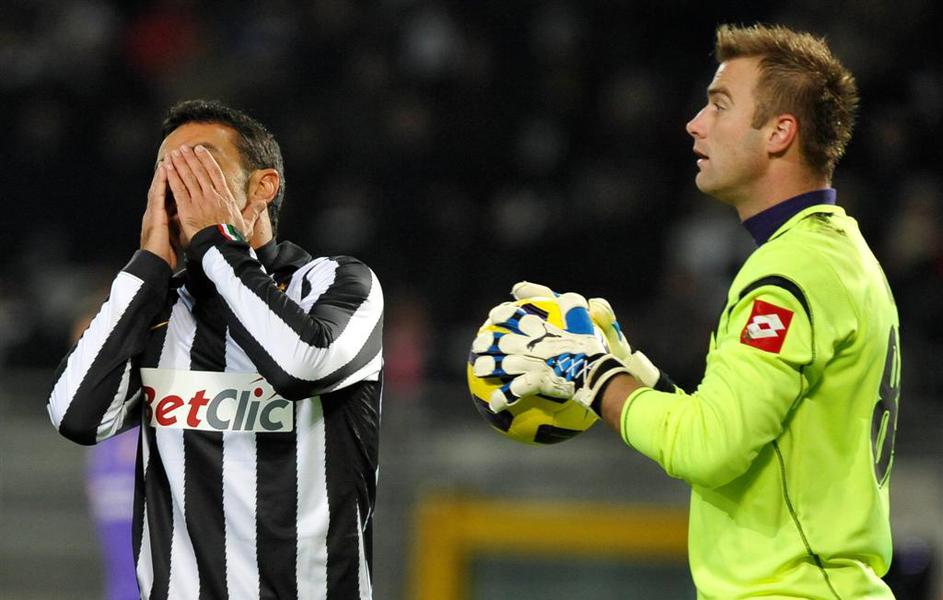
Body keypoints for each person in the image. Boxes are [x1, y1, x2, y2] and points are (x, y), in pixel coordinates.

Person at [473, 24, 900, 598]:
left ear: (779, 132)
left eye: (719, 105)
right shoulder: (838, 253)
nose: (695, 124)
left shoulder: (792, 270)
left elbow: (710, 448)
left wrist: (589, 372)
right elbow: (755, 447)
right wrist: (641, 378)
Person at [48, 99, 384, 599]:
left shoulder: (333, 284)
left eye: (200, 165)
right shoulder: (159, 309)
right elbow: (76, 416)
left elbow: (300, 365)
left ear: (263, 187)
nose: (180, 184)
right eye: (168, 171)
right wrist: (148, 265)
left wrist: (217, 242)